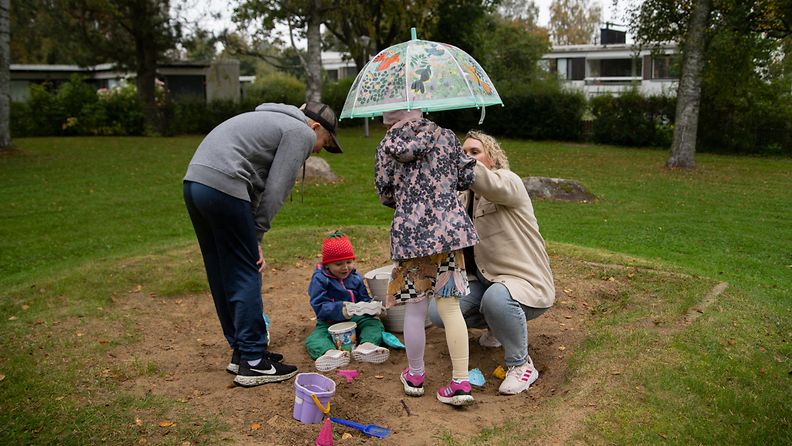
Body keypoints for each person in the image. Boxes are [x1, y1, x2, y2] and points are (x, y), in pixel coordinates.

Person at [183, 102, 343, 387]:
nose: (318, 149)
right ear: (316, 127)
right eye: (325, 142)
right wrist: (256, 235)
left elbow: (255, 183)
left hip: (195, 182)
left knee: (222, 269)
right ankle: (255, 360)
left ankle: (241, 351)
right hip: (224, 185)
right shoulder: (300, 132)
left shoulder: (271, 119)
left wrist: (251, 231)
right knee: (247, 270)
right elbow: (276, 189)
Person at [429, 130, 555, 395]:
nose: (466, 158)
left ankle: (521, 365)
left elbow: (490, 184)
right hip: (486, 282)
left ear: (493, 159)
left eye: (474, 153)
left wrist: (452, 154)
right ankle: (497, 328)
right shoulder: (464, 199)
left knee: (497, 300)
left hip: (523, 284)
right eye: (463, 153)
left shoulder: (509, 183)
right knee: (439, 309)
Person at [375, 109, 479, 406]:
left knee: (415, 309)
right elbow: (466, 176)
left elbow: (384, 193)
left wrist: (409, 200)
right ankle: (460, 382)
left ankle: (416, 375)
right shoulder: (446, 136)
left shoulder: (387, 145)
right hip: (447, 232)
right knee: (450, 307)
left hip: (411, 236)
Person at [306, 231, 390, 371]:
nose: (345, 267)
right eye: (339, 264)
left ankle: (366, 347)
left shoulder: (355, 277)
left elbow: (363, 298)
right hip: (329, 322)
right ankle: (331, 353)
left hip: (356, 319)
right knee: (315, 339)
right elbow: (319, 305)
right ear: (327, 265)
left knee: (374, 325)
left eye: (349, 262)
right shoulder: (320, 280)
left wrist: (372, 308)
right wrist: (341, 309)